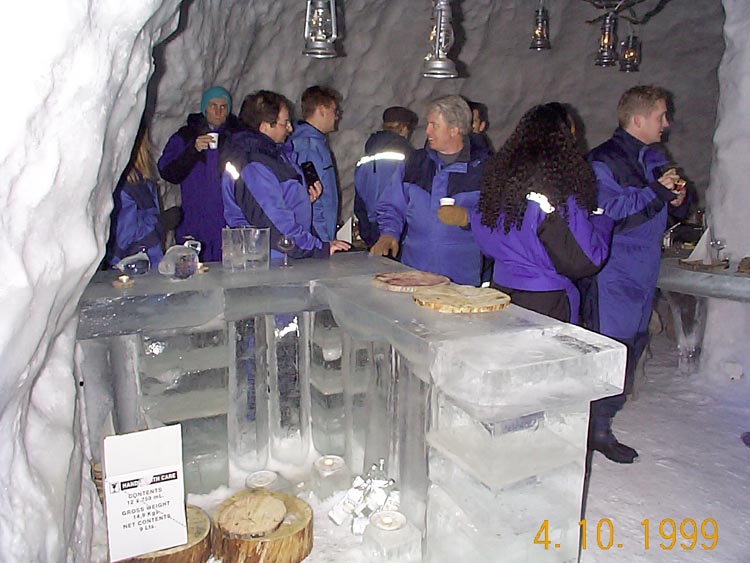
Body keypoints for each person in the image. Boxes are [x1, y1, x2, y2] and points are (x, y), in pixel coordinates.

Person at [584, 85, 689, 463]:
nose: (667, 123)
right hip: (613, 269)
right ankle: (591, 427)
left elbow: (662, 206)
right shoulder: (604, 161)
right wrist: (656, 193)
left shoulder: (653, 157)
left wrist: (678, 200)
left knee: (632, 346)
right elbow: (609, 213)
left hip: (643, 268)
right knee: (609, 347)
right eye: (661, 116)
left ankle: (601, 425)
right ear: (638, 119)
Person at [439, 103, 612, 323]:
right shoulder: (556, 192)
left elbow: (487, 234)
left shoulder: (500, 183)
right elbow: (583, 260)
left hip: (501, 292)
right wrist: (601, 221)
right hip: (546, 300)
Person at [371, 95, 490, 286]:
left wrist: (468, 218)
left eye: (434, 125)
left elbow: (501, 219)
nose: (427, 131)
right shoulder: (414, 163)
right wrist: (389, 233)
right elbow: (392, 205)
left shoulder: (485, 170)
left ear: (454, 129)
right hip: (413, 273)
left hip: (460, 280)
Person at [221, 90, 349, 260]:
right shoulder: (253, 165)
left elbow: (277, 202)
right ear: (265, 126)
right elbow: (274, 224)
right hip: (266, 262)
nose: (290, 128)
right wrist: (318, 247)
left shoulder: (274, 157)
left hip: (283, 257)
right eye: (285, 123)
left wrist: (302, 200)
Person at [158, 86, 241, 262]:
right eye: (213, 106)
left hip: (227, 223)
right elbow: (168, 172)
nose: (218, 111)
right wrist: (193, 151)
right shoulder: (185, 136)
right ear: (205, 108)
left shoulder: (237, 137)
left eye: (223, 107)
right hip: (194, 222)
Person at [107, 128, 181, 269]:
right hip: (131, 269)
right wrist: (160, 222)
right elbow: (124, 239)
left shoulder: (143, 183)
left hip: (149, 264)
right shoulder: (124, 186)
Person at [354, 106, 418, 248]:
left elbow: (359, 198)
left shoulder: (367, 157)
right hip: (398, 230)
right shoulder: (408, 155)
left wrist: (366, 229)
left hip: (372, 227)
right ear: (404, 128)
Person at [288, 86, 341, 243]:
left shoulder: (315, 143)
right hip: (316, 233)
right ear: (322, 110)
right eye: (334, 111)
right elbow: (312, 195)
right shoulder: (308, 147)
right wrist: (323, 238)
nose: (336, 117)